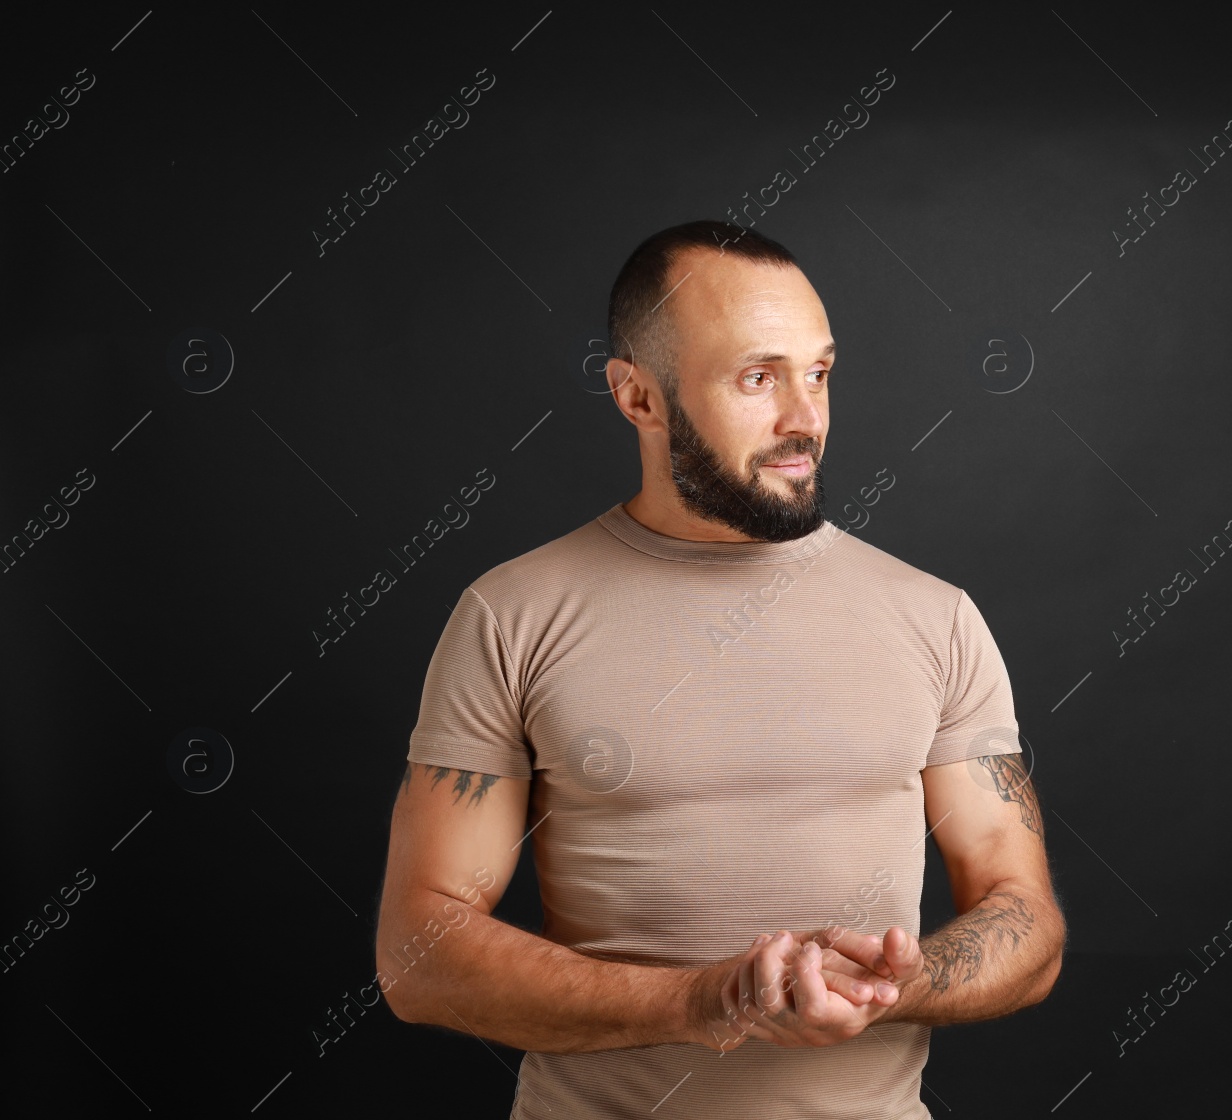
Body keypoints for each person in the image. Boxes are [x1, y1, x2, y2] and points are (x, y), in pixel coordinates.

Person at [374, 220, 1066, 1118]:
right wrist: (707, 1002)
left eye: (818, 372)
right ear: (638, 398)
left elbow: (1029, 921)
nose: (804, 418)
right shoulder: (510, 616)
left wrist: (900, 981)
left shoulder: (938, 619)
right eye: (757, 377)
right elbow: (417, 955)